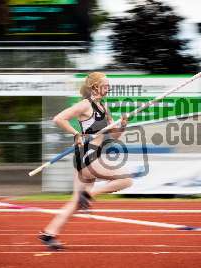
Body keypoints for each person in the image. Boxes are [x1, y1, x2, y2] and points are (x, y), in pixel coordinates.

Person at [39, 72, 132, 250]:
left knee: (75, 202)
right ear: (95, 87)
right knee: (126, 179)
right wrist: (76, 134)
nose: (109, 88)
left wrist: (123, 125)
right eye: (105, 85)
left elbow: (113, 136)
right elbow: (58, 118)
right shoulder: (85, 105)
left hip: (91, 156)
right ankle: (89, 196)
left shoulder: (104, 108)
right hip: (87, 155)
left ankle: (49, 234)